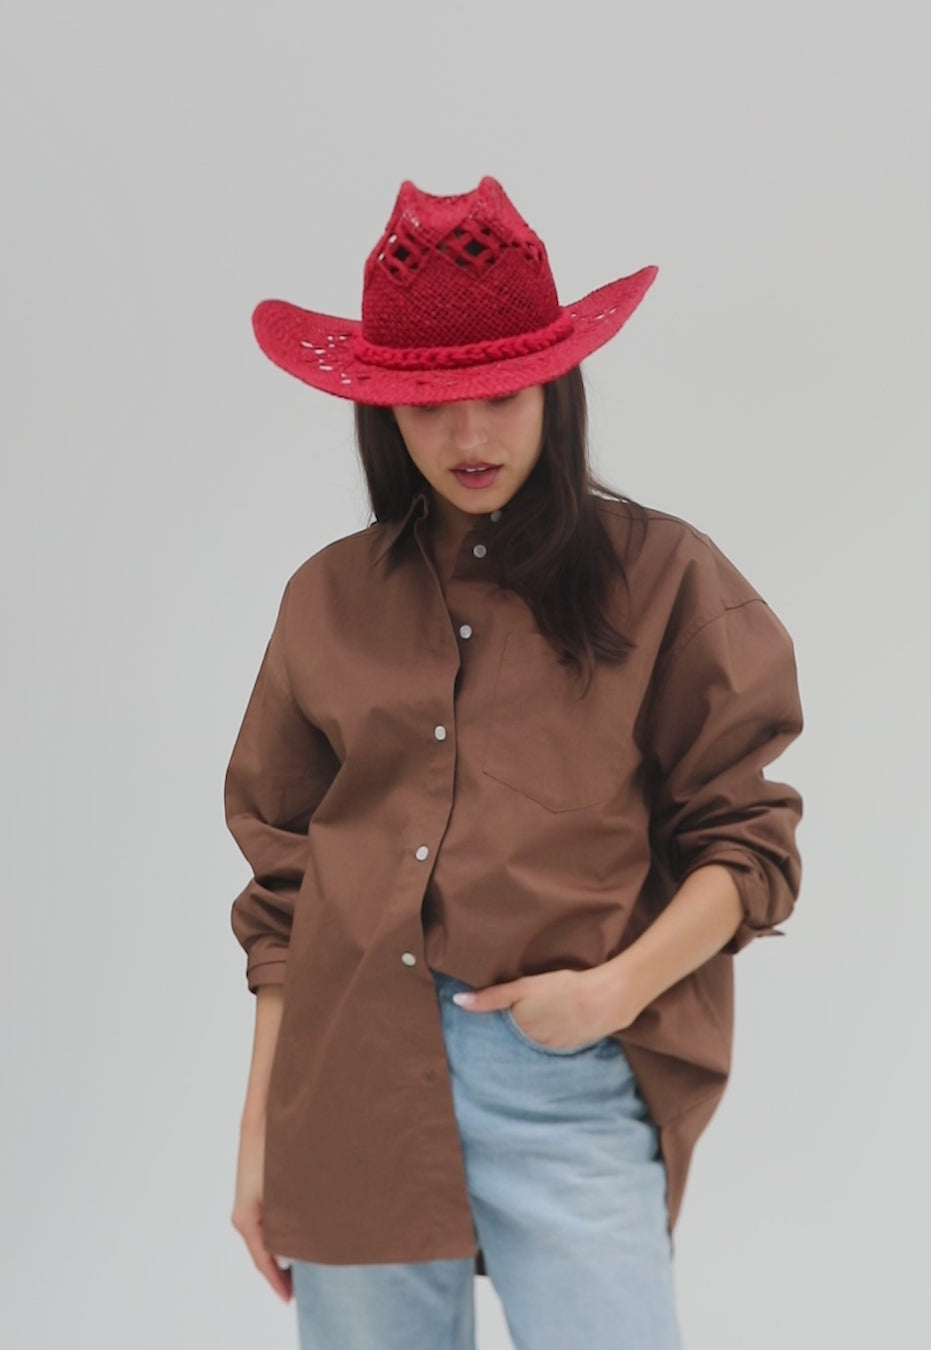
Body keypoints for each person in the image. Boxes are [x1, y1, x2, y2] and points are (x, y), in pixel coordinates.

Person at [226, 175, 805, 1350]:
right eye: (430, 404)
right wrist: (260, 1138)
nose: (470, 437)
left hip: (563, 1077)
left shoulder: (664, 578)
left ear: (555, 385)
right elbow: (285, 893)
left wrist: (613, 994)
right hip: (348, 1081)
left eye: (500, 393)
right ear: (383, 411)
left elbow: (748, 846)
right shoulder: (326, 600)